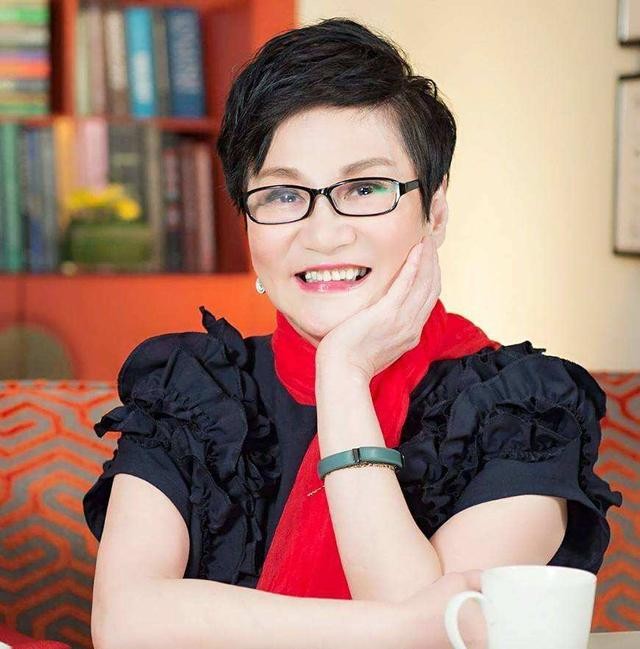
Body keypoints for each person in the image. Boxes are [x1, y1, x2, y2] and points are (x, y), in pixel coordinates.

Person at [83, 17, 622, 649]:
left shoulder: (523, 409)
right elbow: (124, 624)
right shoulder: (191, 391)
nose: (324, 233)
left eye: (365, 188)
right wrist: (402, 626)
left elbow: (435, 641)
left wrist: (342, 376)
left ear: (434, 211)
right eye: (283, 195)